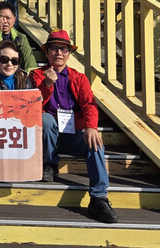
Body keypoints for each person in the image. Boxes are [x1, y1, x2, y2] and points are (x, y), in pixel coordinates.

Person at [30, 30, 118, 224]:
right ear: (47, 52)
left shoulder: (79, 78)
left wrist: (91, 127)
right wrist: (47, 84)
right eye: (54, 48)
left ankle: (99, 197)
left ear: (69, 54)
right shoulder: (36, 74)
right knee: (46, 119)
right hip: (46, 137)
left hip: (72, 134)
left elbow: (89, 104)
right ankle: (49, 164)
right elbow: (32, 105)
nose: (59, 53)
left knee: (96, 143)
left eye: (64, 49)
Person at [0, 1, 37, 72]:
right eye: (0, 17)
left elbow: (29, 61)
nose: (4, 21)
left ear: (14, 20)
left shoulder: (21, 38)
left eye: (8, 18)